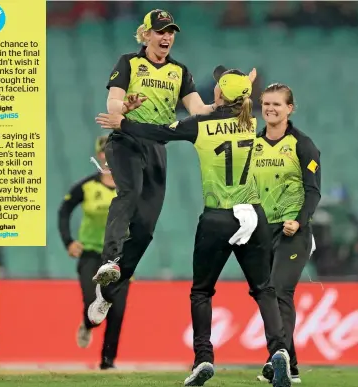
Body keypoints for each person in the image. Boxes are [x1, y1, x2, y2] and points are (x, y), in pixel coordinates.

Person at [95, 68, 292, 387]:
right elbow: (243, 105)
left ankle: (203, 358)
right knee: (264, 289)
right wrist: (245, 87)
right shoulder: (252, 121)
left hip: (218, 218)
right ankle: (279, 350)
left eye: (217, 86)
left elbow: (159, 133)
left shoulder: (201, 125)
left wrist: (123, 123)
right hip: (253, 216)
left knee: (201, 291)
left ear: (218, 94)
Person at [88, 8, 257, 325]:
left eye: (171, 32)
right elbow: (113, 103)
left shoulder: (180, 71)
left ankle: (106, 295)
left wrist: (234, 97)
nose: (166, 37)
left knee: (146, 230)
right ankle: (109, 259)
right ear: (147, 34)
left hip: (157, 146)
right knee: (129, 192)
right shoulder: (129, 63)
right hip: (125, 139)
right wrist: (124, 109)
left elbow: (199, 110)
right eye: (161, 31)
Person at [252, 83, 321, 384]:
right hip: (262, 232)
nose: (270, 109)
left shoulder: (303, 145)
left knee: (280, 291)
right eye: (266, 104)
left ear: (290, 108)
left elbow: (313, 191)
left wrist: (300, 221)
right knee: (269, 294)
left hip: (293, 232)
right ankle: (289, 366)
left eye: (277, 104)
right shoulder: (253, 144)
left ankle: (274, 358)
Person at [57, 135, 130, 370]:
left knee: (116, 310)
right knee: (93, 304)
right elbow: (64, 210)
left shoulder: (129, 187)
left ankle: (107, 363)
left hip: (118, 258)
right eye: (105, 153)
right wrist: (69, 241)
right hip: (90, 254)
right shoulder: (87, 186)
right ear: (99, 156)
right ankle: (88, 326)